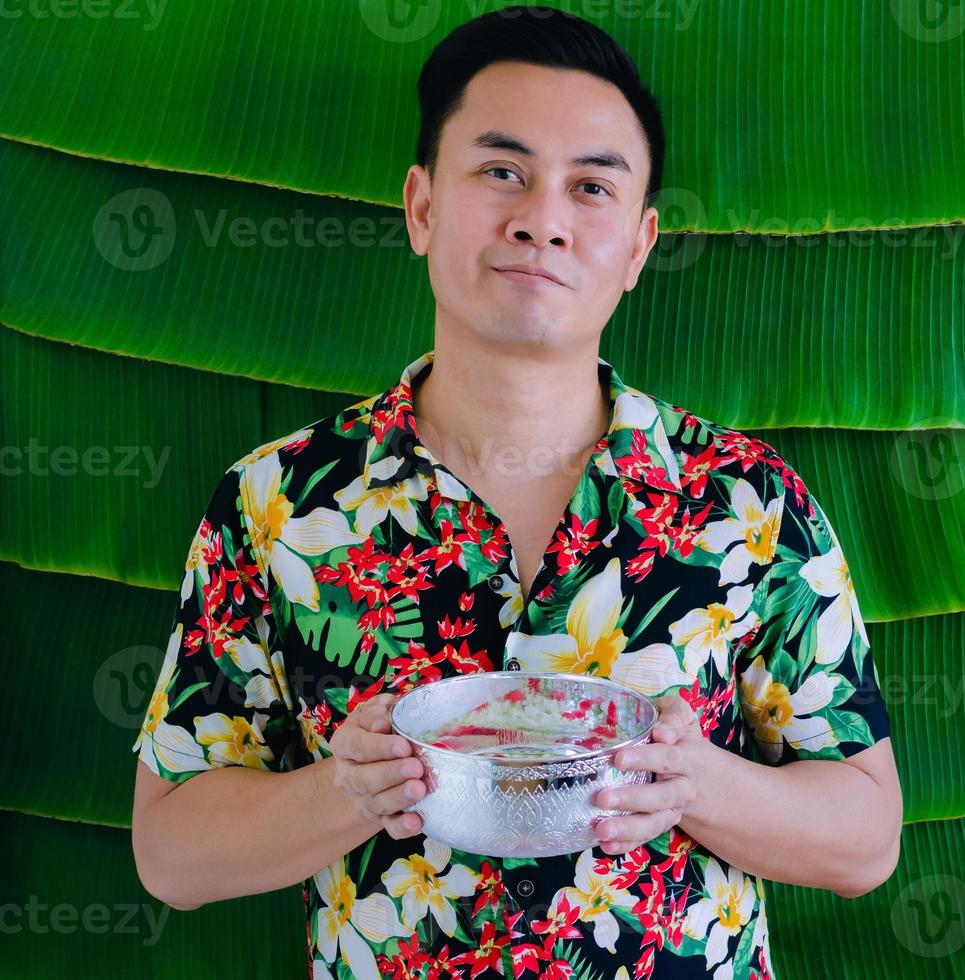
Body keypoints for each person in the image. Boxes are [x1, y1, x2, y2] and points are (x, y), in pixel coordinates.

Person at [130, 6, 901, 978]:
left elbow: (867, 834)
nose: (541, 217)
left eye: (590, 186)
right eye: (502, 171)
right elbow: (169, 851)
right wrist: (345, 789)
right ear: (420, 205)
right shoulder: (275, 501)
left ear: (637, 243)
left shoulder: (745, 501)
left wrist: (694, 782)